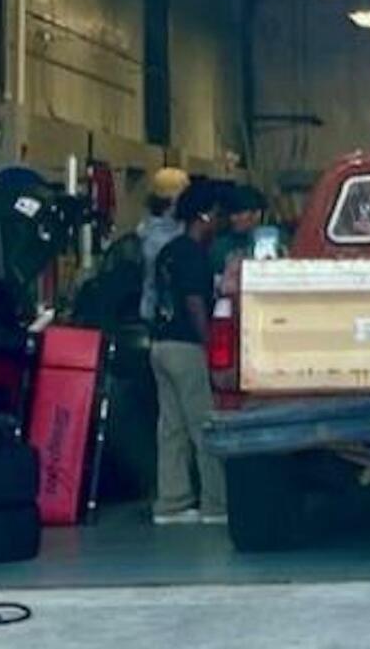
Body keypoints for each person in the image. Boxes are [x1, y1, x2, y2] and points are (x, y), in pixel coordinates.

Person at [149, 182, 227, 526]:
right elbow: (195, 302)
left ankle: (172, 502)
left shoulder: (168, 250)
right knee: (204, 426)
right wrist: (209, 345)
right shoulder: (195, 254)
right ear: (204, 215)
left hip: (160, 345)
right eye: (217, 216)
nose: (218, 223)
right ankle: (216, 503)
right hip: (186, 347)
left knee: (171, 429)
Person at [137, 167, 190, 324]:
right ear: (174, 200)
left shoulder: (145, 228)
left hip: (148, 310)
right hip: (160, 313)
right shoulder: (160, 236)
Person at [209, 185, 267, 278]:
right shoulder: (220, 245)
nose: (233, 219)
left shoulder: (274, 240)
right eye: (231, 213)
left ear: (257, 214)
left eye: (239, 213)